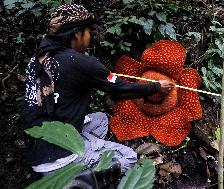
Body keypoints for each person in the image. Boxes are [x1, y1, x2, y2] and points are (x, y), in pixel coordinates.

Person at [23, 3, 173, 181]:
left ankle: (77, 155)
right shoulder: (80, 63)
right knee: (129, 158)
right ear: (77, 33)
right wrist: (156, 87)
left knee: (101, 120)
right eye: (88, 33)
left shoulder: (38, 58)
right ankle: (76, 181)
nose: (90, 38)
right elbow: (120, 90)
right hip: (60, 157)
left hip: (37, 146)